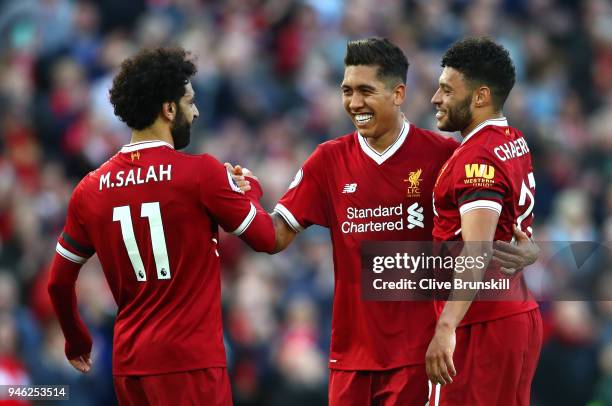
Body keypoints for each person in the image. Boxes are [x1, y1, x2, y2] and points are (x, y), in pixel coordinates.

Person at [229, 38, 537, 405]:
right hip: (351, 360)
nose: (354, 103)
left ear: (398, 94)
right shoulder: (327, 161)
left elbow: (490, 225)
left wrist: (527, 249)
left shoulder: (444, 156)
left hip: (420, 357)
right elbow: (274, 237)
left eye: (365, 91)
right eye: (346, 91)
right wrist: (242, 200)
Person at [47, 47, 277, 405]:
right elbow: (266, 238)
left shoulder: (89, 189)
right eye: (190, 101)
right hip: (191, 364)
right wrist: (251, 190)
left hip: (130, 367)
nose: (196, 111)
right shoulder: (202, 174)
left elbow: (58, 282)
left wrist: (76, 339)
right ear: (169, 109)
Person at [425, 37, 542, 406]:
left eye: (446, 89)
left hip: (480, 323)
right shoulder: (512, 139)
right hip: (514, 314)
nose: (435, 98)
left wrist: (446, 326)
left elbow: (476, 249)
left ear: (480, 97)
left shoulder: (477, 159)